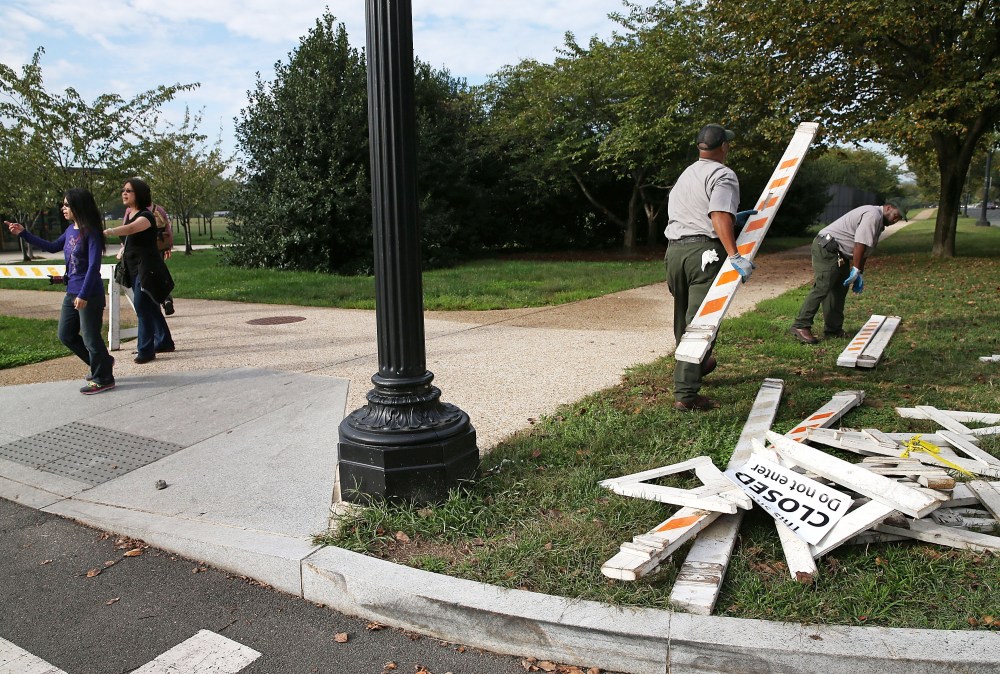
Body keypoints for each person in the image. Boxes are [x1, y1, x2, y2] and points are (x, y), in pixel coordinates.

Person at [664, 124, 757, 411]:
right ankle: (686, 395)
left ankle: (696, 364)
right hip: (705, 253)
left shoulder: (687, 173)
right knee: (702, 321)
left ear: (699, 147)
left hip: (675, 252)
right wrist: (734, 253)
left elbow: (694, 211)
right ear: (724, 147)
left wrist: (730, 220)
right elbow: (717, 214)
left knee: (684, 317)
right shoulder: (723, 174)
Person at [5, 189, 116, 394]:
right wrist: (23, 233)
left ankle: (104, 377)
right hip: (71, 291)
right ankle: (103, 362)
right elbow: (51, 246)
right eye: (63, 205)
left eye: (66, 205)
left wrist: (83, 295)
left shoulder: (91, 232)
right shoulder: (70, 230)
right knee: (66, 335)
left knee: (91, 338)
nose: (63, 208)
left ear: (78, 207)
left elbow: (93, 267)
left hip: (88, 293)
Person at [789, 203, 905, 344]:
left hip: (839, 253)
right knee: (823, 286)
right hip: (827, 248)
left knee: (838, 290)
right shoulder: (872, 215)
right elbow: (859, 244)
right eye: (896, 216)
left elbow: (866, 249)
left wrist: (859, 272)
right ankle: (801, 325)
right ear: (888, 208)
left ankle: (833, 329)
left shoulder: (878, 221)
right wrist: (855, 269)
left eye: (898, 219)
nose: (895, 220)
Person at [104, 177, 175, 363]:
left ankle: (145, 350)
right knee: (150, 306)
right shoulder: (131, 213)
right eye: (123, 190)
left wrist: (108, 232)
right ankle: (165, 342)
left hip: (147, 268)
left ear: (140, 194)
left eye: (129, 190)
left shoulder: (146, 216)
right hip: (134, 268)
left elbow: (131, 229)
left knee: (143, 307)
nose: (124, 193)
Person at [122, 201, 175, 315]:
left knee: (144, 279)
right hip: (158, 245)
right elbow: (167, 228)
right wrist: (169, 246)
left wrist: (124, 247)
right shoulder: (159, 209)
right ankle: (166, 299)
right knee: (158, 275)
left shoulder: (131, 210)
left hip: (139, 251)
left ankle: (153, 304)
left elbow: (126, 229)